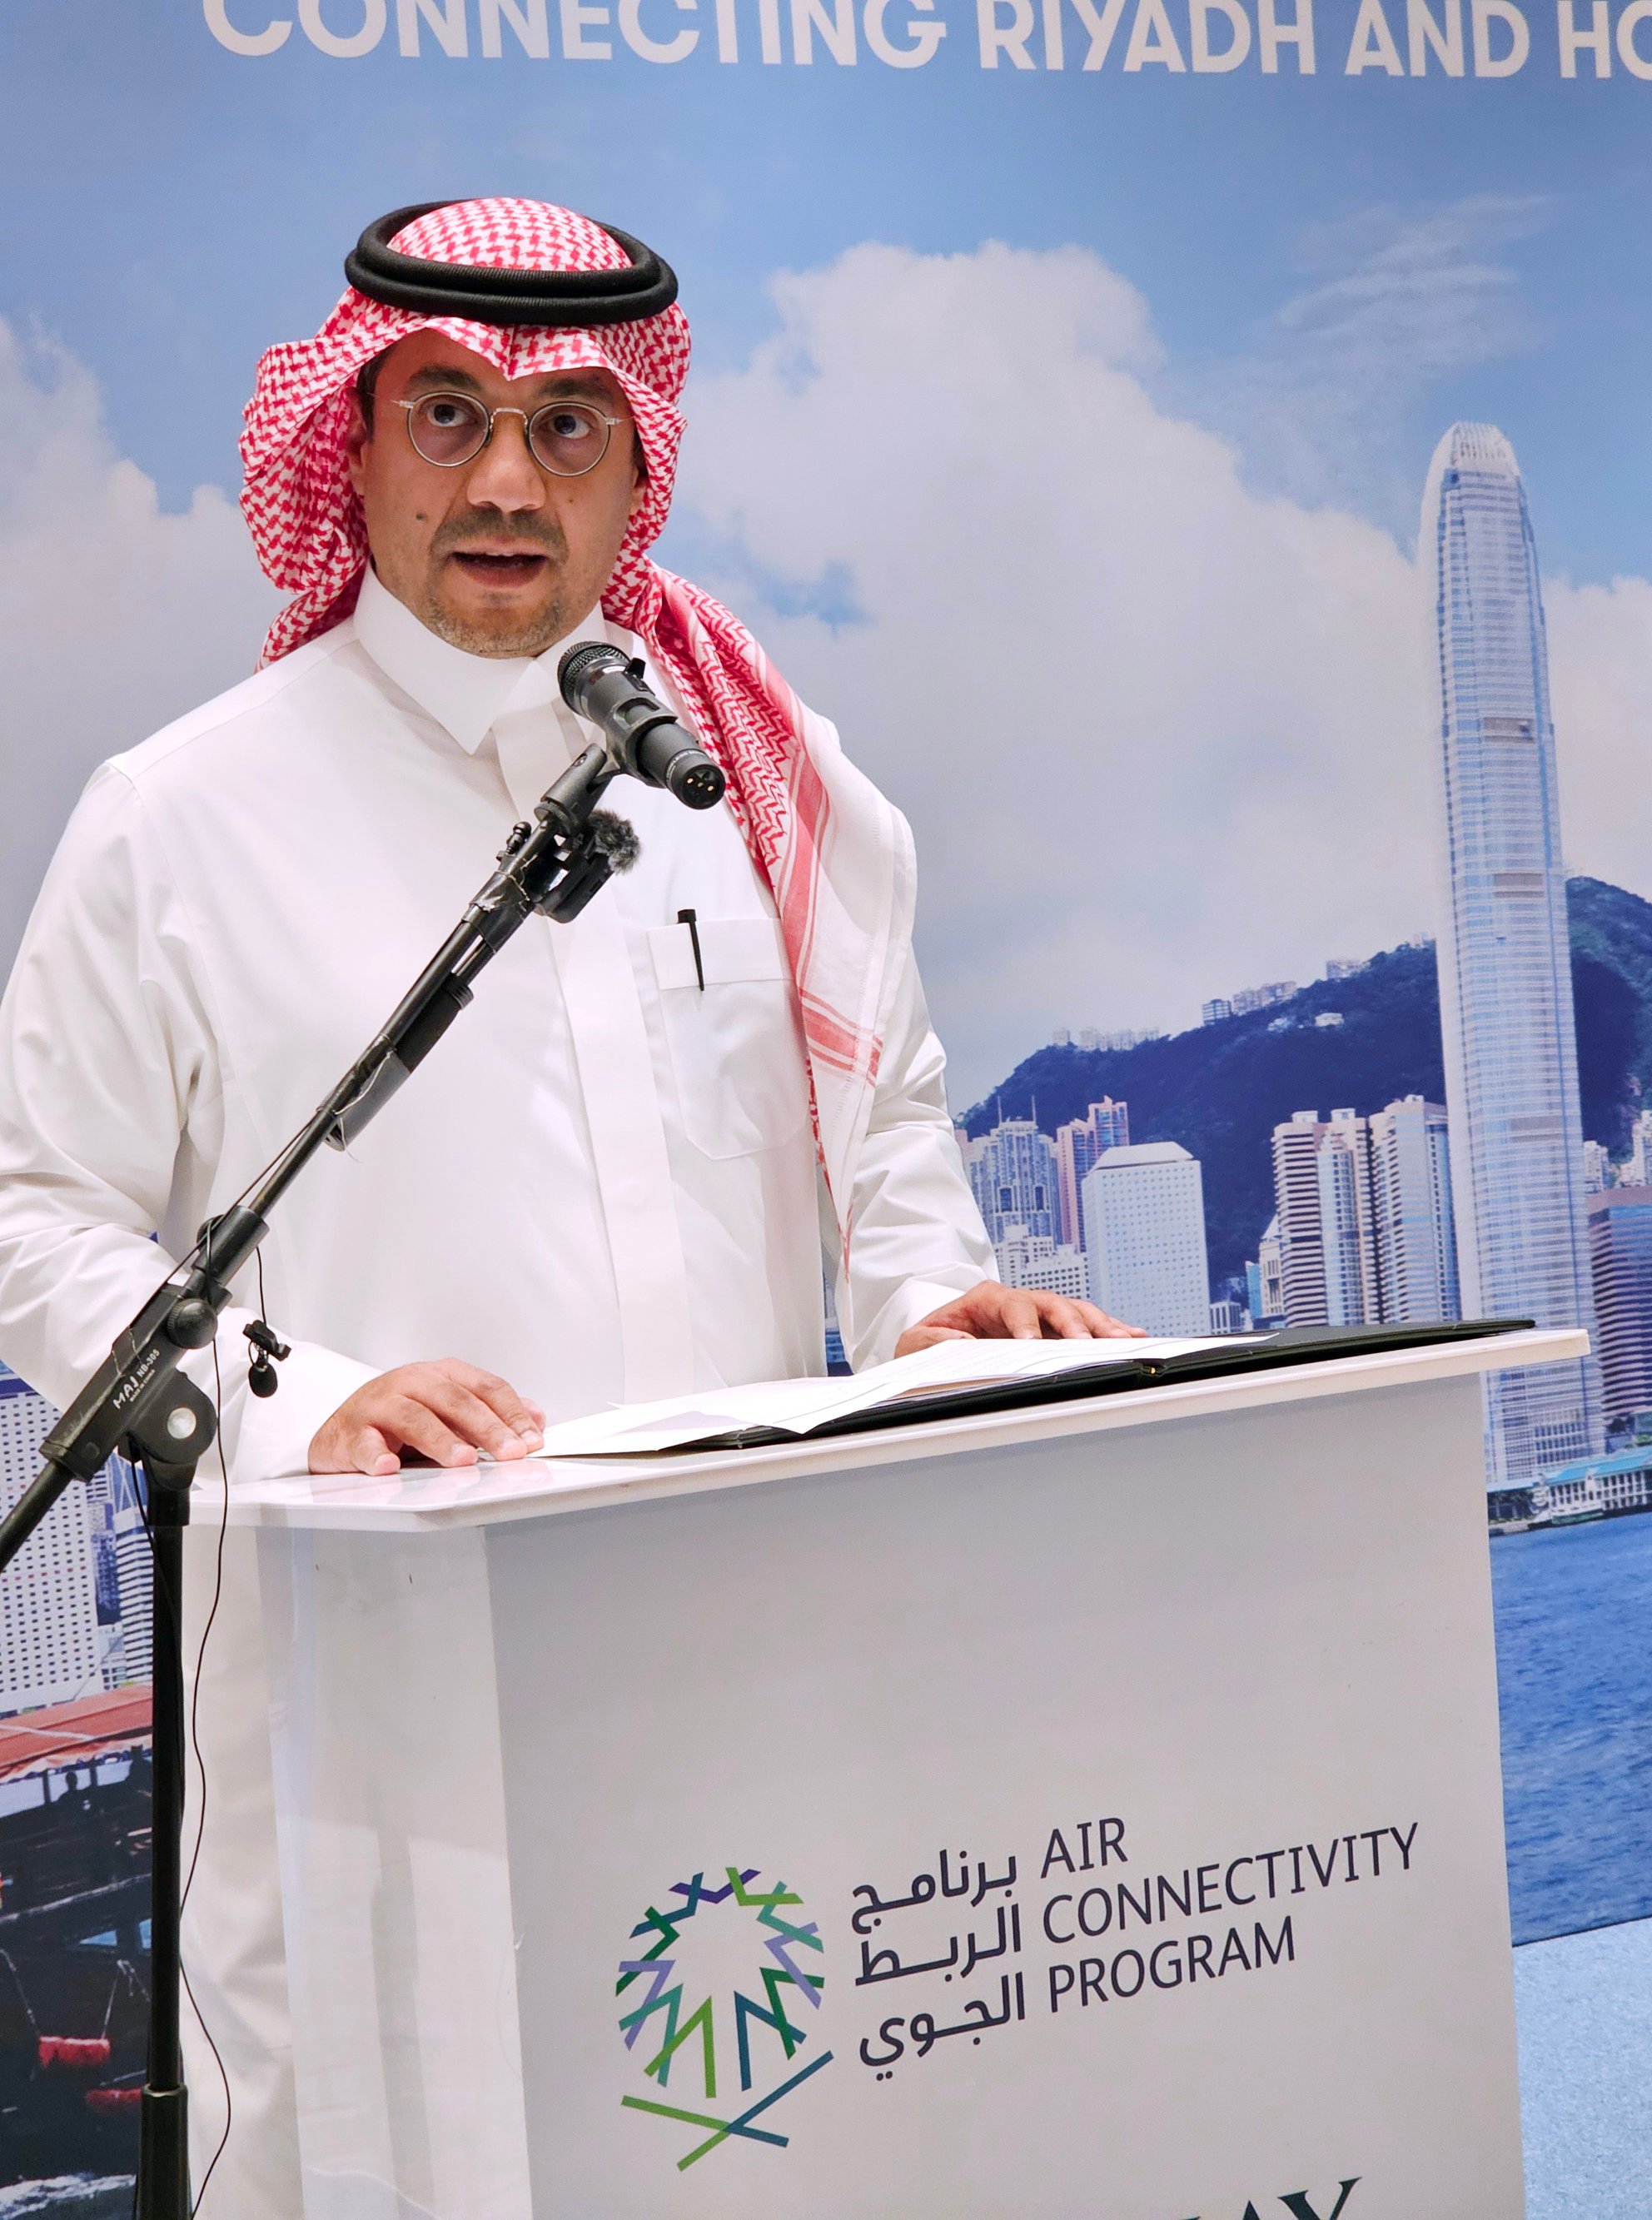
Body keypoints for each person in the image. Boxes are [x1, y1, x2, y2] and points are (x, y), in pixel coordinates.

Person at [0, 200, 1135, 2208]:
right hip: (367, 1749)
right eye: (446, 414)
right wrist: (304, 1396)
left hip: (742, 1708)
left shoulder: (753, 782)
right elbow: (35, 1207)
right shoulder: (176, 819)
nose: (506, 480)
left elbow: (882, 1126)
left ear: (642, 472)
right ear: (347, 443)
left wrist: (933, 1296)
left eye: (569, 428)